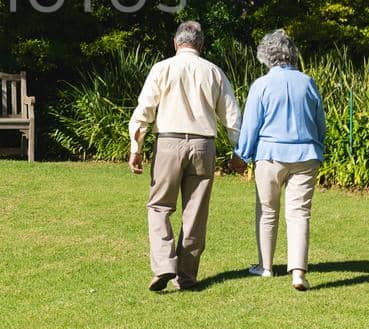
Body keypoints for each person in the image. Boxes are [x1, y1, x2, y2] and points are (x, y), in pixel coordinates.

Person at [129, 20, 244, 292]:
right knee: (195, 212)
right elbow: (232, 116)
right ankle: (187, 276)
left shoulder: (162, 68)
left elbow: (144, 110)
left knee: (159, 206)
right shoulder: (214, 71)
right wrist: (238, 151)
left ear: (175, 43)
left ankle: (163, 265)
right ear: (201, 45)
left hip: (168, 142)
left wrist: (136, 147)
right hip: (204, 144)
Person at [235, 29, 326, 291]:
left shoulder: (261, 85)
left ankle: (265, 267)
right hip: (306, 155)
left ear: (266, 55)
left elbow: (251, 125)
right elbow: (320, 122)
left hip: (270, 156)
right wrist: (316, 145)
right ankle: (298, 272)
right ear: (291, 53)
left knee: (267, 212)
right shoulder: (308, 82)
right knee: (299, 213)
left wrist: (241, 154)